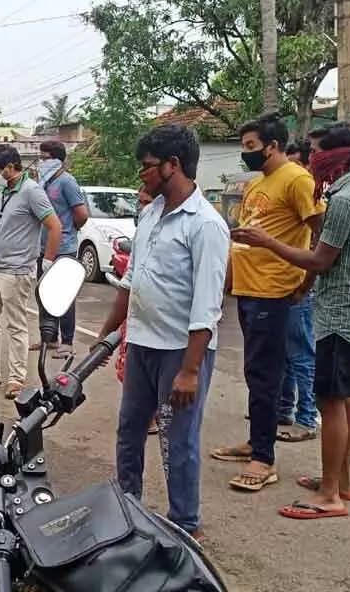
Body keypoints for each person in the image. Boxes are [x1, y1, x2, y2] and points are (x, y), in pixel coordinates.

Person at [233, 122, 350, 519]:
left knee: (330, 400)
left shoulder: (347, 199)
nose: (310, 159)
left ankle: (331, 494)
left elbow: (319, 257)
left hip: (341, 310)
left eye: (316, 152)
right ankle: (341, 482)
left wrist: (268, 244)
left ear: (335, 155)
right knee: (344, 396)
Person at [97, 124, 229, 541]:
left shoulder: (206, 225)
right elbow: (131, 283)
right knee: (129, 428)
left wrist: (190, 371)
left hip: (180, 352)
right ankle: (128, 505)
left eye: (148, 167)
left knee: (178, 442)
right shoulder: (150, 214)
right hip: (142, 346)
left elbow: (208, 307)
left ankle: (185, 524)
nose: (143, 175)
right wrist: (106, 336)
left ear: (174, 166)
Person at [210, 112, 325, 492]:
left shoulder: (296, 179)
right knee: (256, 372)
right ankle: (258, 441)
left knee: (265, 376)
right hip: (249, 289)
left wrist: (306, 280)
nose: (246, 154)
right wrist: (227, 284)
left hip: (274, 291)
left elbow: (321, 237)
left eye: (251, 147)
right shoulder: (260, 183)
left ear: (272, 145)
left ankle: (264, 459)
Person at [0, 144, 62, 399]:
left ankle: (17, 379)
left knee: (16, 326)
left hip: (17, 271)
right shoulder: (1, 191)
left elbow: (55, 226)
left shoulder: (32, 192)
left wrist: (47, 265)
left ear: (10, 167)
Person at [277, 138, 319, 444]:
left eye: (296, 163)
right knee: (286, 353)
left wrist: (306, 285)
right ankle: (284, 409)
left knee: (301, 353)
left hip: (299, 286)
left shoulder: (310, 197)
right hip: (282, 284)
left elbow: (319, 248)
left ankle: (307, 416)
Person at [31, 140, 89, 359]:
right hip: (43, 248)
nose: (41, 162)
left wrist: (68, 230)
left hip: (63, 248)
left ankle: (67, 341)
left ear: (56, 159)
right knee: (43, 294)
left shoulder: (67, 182)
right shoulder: (42, 183)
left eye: (44, 158)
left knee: (64, 296)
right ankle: (49, 337)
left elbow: (81, 214)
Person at [115, 185, 162, 436]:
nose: (141, 208)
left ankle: (152, 417)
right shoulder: (143, 230)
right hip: (134, 315)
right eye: (140, 203)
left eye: (146, 202)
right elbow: (129, 282)